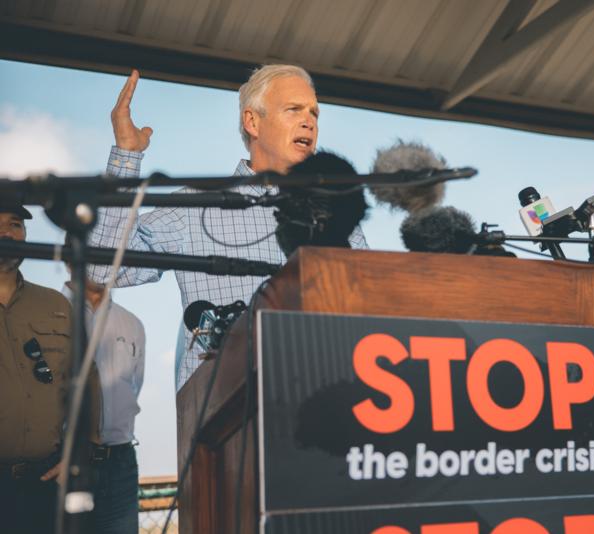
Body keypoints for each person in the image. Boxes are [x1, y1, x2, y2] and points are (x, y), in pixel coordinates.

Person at [88, 65, 367, 390]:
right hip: (226, 412)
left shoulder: (339, 211)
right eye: (294, 109)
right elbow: (102, 268)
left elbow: (369, 309)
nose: (309, 121)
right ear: (253, 122)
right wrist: (126, 156)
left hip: (326, 392)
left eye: (314, 113)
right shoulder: (196, 205)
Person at [0, 204, 99, 534]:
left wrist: (83, 451)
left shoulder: (55, 305)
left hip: (45, 484)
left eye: (15, 224)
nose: (7, 232)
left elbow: (86, 379)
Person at [63, 256, 145, 534]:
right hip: (64, 461)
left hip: (120, 462)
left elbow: (134, 387)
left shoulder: (133, 324)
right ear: (68, 262)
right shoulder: (51, 313)